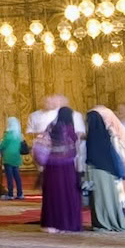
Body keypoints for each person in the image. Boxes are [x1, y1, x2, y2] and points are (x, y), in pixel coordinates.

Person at [85, 106, 125, 232]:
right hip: (111, 171)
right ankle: (115, 221)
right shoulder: (108, 135)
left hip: (98, 171)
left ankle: (103, 222)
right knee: (113, 198)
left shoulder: (108, 136)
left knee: (101, 200)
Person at [38, 96, 82, 233]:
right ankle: (67, 223)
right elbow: (75, 148)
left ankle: (51, 223)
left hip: (51, 166)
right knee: (67, 195)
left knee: (52, 195)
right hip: (67, 166)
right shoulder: (70, 129)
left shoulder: (51, 126)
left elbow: (42, 142)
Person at [0, 117, 26, 200]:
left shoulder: (8, 134)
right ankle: (20, 193)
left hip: (8, 157)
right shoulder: (19, 135)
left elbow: (3, 145)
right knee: (17, 176)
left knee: (9, 177)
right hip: (16, 157)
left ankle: (10, 194)